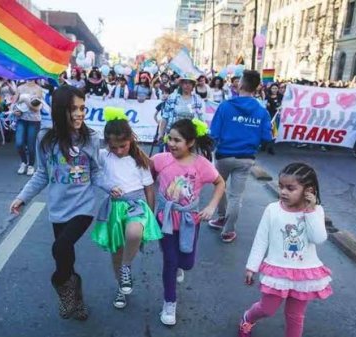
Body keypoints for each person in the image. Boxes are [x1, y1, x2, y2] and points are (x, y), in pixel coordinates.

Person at [9, 85, 116, 321]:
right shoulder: (45, 139)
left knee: (60, 247)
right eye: (73, 109)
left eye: (82, 108)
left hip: (83, 207)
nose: (79, 114)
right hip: (58, 209)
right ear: (59, 111)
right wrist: (22, 197)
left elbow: (96, 173)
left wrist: (111, 188)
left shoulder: (91, 138)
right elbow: (41, 174)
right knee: (65, 257)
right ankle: (75, 294)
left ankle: (61, 286)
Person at [239, 163, 332, 337]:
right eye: (281, 186)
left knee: (295, 316)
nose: (283, 192)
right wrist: (252, 267)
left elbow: (318, 238)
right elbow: (261, 240)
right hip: (277, 271)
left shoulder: (316, 211)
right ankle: (248, 317)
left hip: (304, 273)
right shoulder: (272, 210)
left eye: (290, 188)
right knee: (267, 309)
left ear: (308, 190)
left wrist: (310, 211)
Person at [151, 119, 225, 326]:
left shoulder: (201, 164)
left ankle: (180, 266)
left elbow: (220, 182)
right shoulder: (160, 159)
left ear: (191, 142)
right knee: (170, 261)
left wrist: (211, 206)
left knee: (186, 263)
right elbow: (146, 173)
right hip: (164, 218)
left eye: (177, 140)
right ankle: (169, 302)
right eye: (170, 139)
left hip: (189, 220)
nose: (172, 144)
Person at [90, 108, 162, 309]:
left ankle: (126, 267)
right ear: (107, 143)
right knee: (117, 251)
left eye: (123, 145)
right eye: (114, 147)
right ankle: (121, 286)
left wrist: (150, 215)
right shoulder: (104, 156)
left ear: (131, 139)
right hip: (114, 207)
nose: (119, 150)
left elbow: (149, 189)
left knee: (134, 232)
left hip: (136, 204)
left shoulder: (140, 160)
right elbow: (90, 147)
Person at [208, 70, 273, 243]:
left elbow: (213, 132)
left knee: (219, 187)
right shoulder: (262, 111)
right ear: (257, 87)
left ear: (241, 84)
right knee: (236, 196)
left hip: (223, 155)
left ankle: (222, 217)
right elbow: (267, 137)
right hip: (246, 158)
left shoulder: (225, 106)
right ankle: (228, 231)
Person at [156, 74, 205, 143]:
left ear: (193, 86)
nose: (187, 85)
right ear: (181, 85)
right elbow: (165, 117)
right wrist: (160, 134)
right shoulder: (172, 98)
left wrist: (204, 133)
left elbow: (201, 118)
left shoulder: (197, 100)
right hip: (173, 134)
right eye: (185, 83)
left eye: (190, 83)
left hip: (190, 136)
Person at [13, 80, 44, 175]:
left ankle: (31, 165)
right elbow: (14, 103)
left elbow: (37, 108)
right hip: (21, 119)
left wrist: (26, 100)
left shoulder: (38, 89)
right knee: (19, 143)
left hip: (34, 121)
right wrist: (15, 110)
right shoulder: (20, 88)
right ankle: (23, 162)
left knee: (31, 145)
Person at [265, 83, 283, 155]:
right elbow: (266, 106)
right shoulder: (268, 97)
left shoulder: (281, 96)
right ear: (270, 89)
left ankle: (271, 147)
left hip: (277, 116)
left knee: (274, 132)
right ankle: (265, 144)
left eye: (276, 88)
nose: (274, 90)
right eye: (273, 88)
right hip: (269, 116)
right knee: (268, 130)